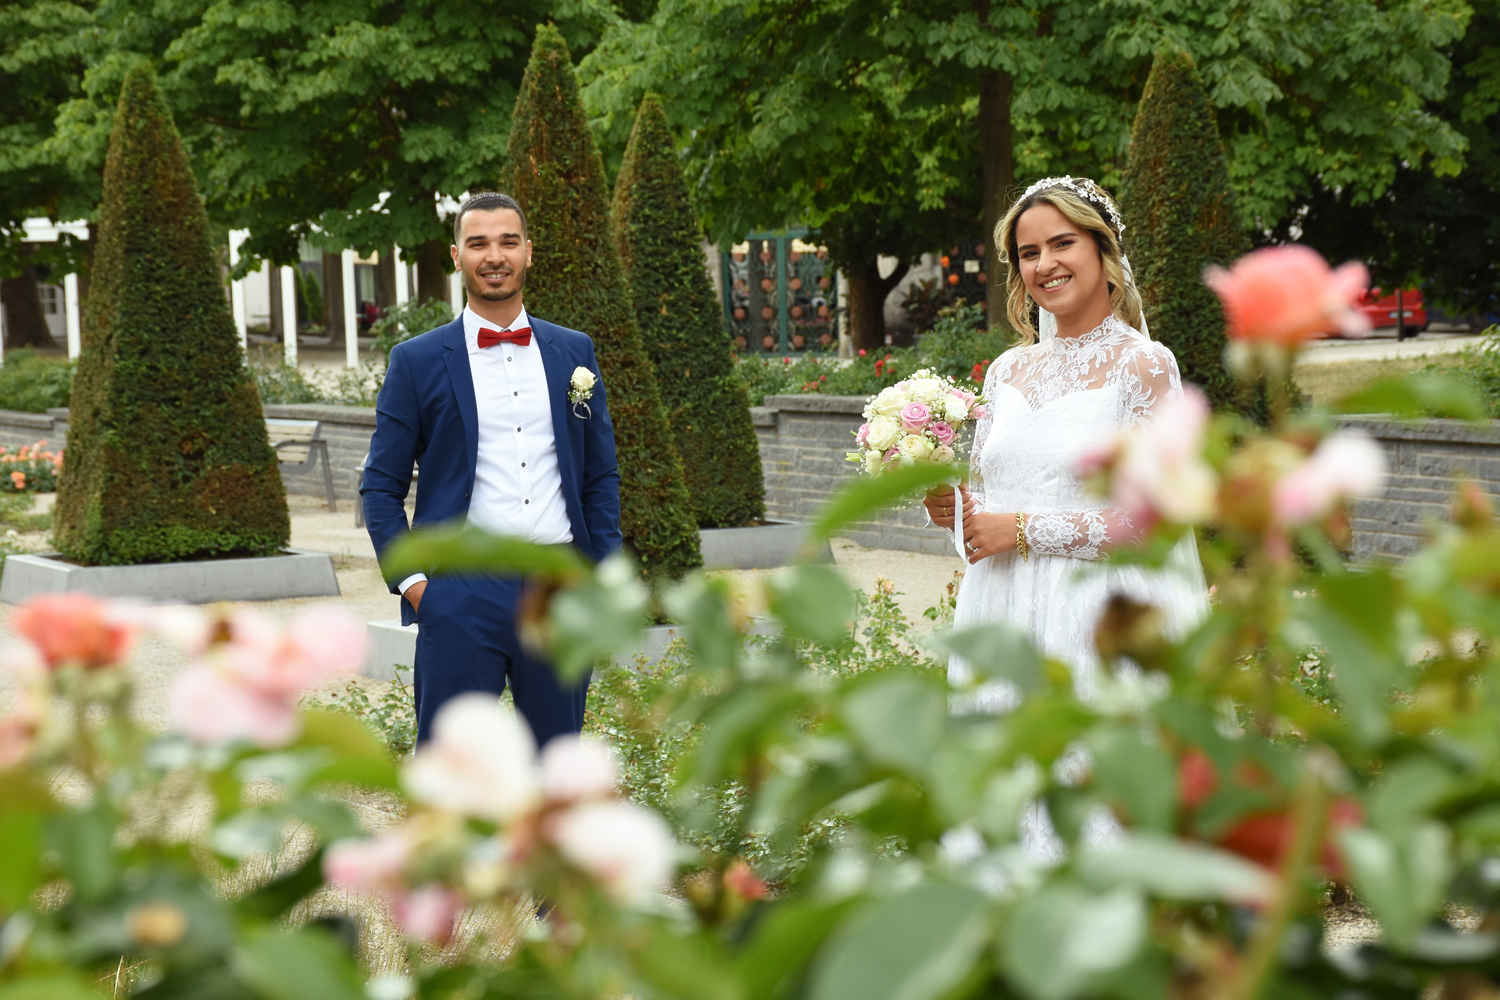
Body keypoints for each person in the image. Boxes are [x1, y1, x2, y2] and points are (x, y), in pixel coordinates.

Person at [924, 177, 1207, 711]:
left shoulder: (1143, 364)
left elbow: (1154, 522)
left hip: (1093, 610)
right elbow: (986, 499)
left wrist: (1021, 529)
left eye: (1062, 243)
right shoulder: (1005, 371)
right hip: (1001, 608)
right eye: (1029, 253)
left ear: (1102, 248)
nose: (1045, 264)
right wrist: (956, 510)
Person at [362, 191, 622, 745]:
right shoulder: (416, 361)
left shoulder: (574, 351)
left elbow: (600, 474)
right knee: (451, 765)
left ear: (528, 251)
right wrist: (416, 586)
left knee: (557, 762)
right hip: (459, 593)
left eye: (508, 241)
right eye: (478, 243)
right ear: (457, 256)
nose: (494, 256)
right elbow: (380, 486)